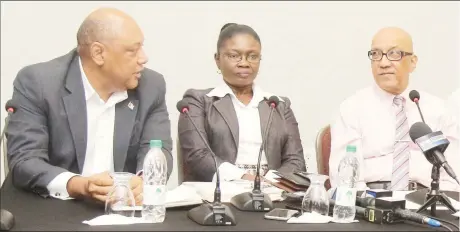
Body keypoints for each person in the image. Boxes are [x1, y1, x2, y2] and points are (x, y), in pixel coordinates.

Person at [6, 8, 173, 205]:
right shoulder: (39, 83)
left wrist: (142, 181)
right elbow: (25, 161)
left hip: (122, 212)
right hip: (51, 209)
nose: (143, 58)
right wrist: (80, 185)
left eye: (141, 48)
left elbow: (158, 150)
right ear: (98, 53)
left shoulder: (151, 86)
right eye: (132, 50)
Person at [329, 27, 460, 192]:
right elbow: (345, 178)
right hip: (374, 200)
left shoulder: (438, 110)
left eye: (394, 54)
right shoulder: (352, 109)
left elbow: (454, 175)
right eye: (376, 54)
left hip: (427, 199)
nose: (383, 63)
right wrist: (368, 203)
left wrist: (441, 203)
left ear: (413, 62)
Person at [178, 23, 306, 182]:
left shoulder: (278, 105)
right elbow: (197, 156)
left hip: (273, 194)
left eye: (252, 56)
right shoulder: (198, 101)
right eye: (234, 56)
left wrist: (270, 182)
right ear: (217, 60)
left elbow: (296, 161)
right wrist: (243, 178)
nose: (244, 63)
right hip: (218, 196)